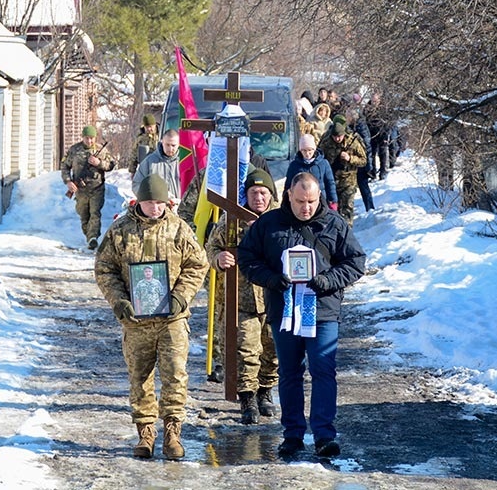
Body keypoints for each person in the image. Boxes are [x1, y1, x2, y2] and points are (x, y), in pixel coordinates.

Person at [237, 172, 366, 459]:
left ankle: (324, 436)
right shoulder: (269, 224)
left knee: (323, 370)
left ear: (319, 197)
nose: (306, 208)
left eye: (311, 201)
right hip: (284, 311)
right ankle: (292, 435)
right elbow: (246, 258)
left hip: (323, 311)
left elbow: (356, 262)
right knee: (289, 372)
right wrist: (271, 279)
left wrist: (328, 280)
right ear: (288, 196)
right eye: (300, 202)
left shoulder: (334, 223)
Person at [94, 174, 209, 460]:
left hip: (172, 319)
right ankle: (145, 433)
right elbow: (105, 268)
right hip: (136, 321)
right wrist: (119, 301)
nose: (155, 208)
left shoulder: (179, 229)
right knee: (140, 377)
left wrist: (181, 296)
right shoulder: (121, 230)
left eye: (160, 203)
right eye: (149, 203)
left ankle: (172, 433)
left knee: (175, 375)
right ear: (139, 202)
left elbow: (198, 264)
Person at [204, 168, 280, 424]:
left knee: (272, 348)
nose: (258, 198)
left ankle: (265, 391)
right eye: (253, 193)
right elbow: (211, 247)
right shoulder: (231, 219)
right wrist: (218, 258)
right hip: (241, 297)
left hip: (273, 296)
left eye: (263, 193)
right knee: (246, 349)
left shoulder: (282, 217)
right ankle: (247, 397)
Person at [61, 125, 115, 250]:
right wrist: (68, 181)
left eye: (92, 138)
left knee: (95, 213)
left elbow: (111, 165)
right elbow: (65, 166)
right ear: (82, 137)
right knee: (84, 214)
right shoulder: (74, 150)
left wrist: (99, 163)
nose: (89, 141)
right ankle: (89, 236)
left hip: (97, 188)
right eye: (87, 138)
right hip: (80, 190)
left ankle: (93, 237)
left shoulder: (101, 150)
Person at [317, 117, 368, 225]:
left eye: (339, 136)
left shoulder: (353, 141)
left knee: (347, 210)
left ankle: (347, 231)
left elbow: (363, 160)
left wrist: (350, 158)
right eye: (335, 136)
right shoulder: (326, 141)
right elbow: (318, 157)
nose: (337, 139)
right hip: (330, 180)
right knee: (330, 210)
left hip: (348, 181)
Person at [284, 134, 337, 210]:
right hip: (301, 202)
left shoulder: (323, 163)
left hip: (321, 201)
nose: (307, 153)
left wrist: (333, 201)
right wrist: (285, 202)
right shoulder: (294, 165)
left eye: (310, 150)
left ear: (314, 149)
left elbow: (330, 183)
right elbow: (288, 185)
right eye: (304, 150)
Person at [132, 129, 182, 202]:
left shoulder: (185, 163)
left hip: (180, 206)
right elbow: (137, 185)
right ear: (162, 142)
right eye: (167, 145)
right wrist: (151, 197)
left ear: (179, 144)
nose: (170, 148)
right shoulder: (149, 162)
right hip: (156, 206)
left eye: (173, 145)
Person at [346, 107, 375, 212]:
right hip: (354, 161)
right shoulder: (352, 126)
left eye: (347, 115)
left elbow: (367, 146)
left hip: (361, 161)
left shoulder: (360, 126)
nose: (346, 117)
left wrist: (368, 164)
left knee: (363, 186)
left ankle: (370, 208)